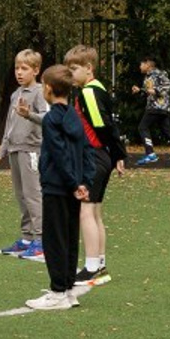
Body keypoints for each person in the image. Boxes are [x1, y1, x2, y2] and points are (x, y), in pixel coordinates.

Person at [25, 65, 95, 310]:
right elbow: (86, 151)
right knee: (69, 236)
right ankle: (67, 289)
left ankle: (57, 292)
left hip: (57, 186)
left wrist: (75, 183)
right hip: (73, 186)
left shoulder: (52, 118)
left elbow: (59, 154)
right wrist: (84, 182)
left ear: (48, 88)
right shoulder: (74, 116)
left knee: (55, 239)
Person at [65, 44, 127, 287]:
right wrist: (117, 154)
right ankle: (99, 263)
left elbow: (103, 126)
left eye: (74, 69)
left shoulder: (88, 93)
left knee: (86, 211)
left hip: (93, 156)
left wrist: (116, 153)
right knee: (95, 211)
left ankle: (91, 267)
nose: (70, 74)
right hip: (102, 155)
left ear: (88, 69)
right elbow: (110, 124)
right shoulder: (99, 88)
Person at [0, 49, 47, 259]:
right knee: (21, 196)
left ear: (36, 70)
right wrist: (1, 152)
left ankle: (41, 240)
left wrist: (29, 114)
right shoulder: (16, 94)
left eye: (24, 68)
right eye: (17, 68)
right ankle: (27, 238)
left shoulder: (40, 92)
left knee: (33, 196)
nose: (19, 72)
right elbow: (10, 126)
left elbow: (47, 118)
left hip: (31, 150)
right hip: (14, 149)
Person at [132, 56, 170, 166]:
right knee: (166, 129)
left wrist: (155, 91)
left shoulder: (159, 74)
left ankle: (150, 154)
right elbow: (148, 92)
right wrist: (140, 91)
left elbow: (168, 86)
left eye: (141, 64)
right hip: (159, 107)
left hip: (157, 106)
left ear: (148, 64)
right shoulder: (148, 77)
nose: (140, 67)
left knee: (142, 127)